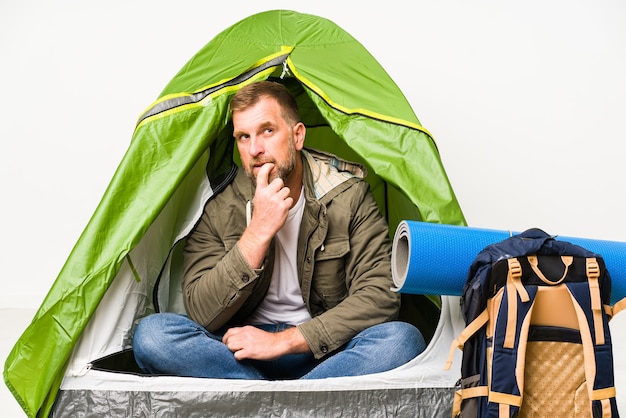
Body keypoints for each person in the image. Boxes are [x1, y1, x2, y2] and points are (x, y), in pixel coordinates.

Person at [132, 80, 426, 380]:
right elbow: (201, 312)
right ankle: (299, 403)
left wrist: (282, 341)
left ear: (297, 136)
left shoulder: (348, 196)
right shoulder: (218, 205)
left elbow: (379, 297)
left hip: (322, 352)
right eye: (243, 137)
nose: (255, 149)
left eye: (267, 131)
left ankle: (262, 402)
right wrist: (258, 231)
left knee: (402, 340)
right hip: (237, 356)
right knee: (152, 336)